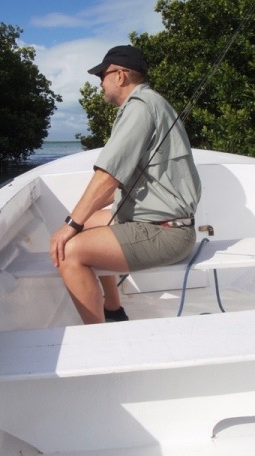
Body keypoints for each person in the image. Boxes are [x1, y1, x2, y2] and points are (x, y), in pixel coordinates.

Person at [49, 45, 202, 324]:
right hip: (160, 222)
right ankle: (113, 309)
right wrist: (80, 221)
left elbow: (108, 176)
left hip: (167, 233)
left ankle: (98, 339)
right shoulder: (150, 103)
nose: (100, 84)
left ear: (120, 76)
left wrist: (71, 225)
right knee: (92, 221)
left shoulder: (140, 107)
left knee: (68, 251)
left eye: (102, 76)